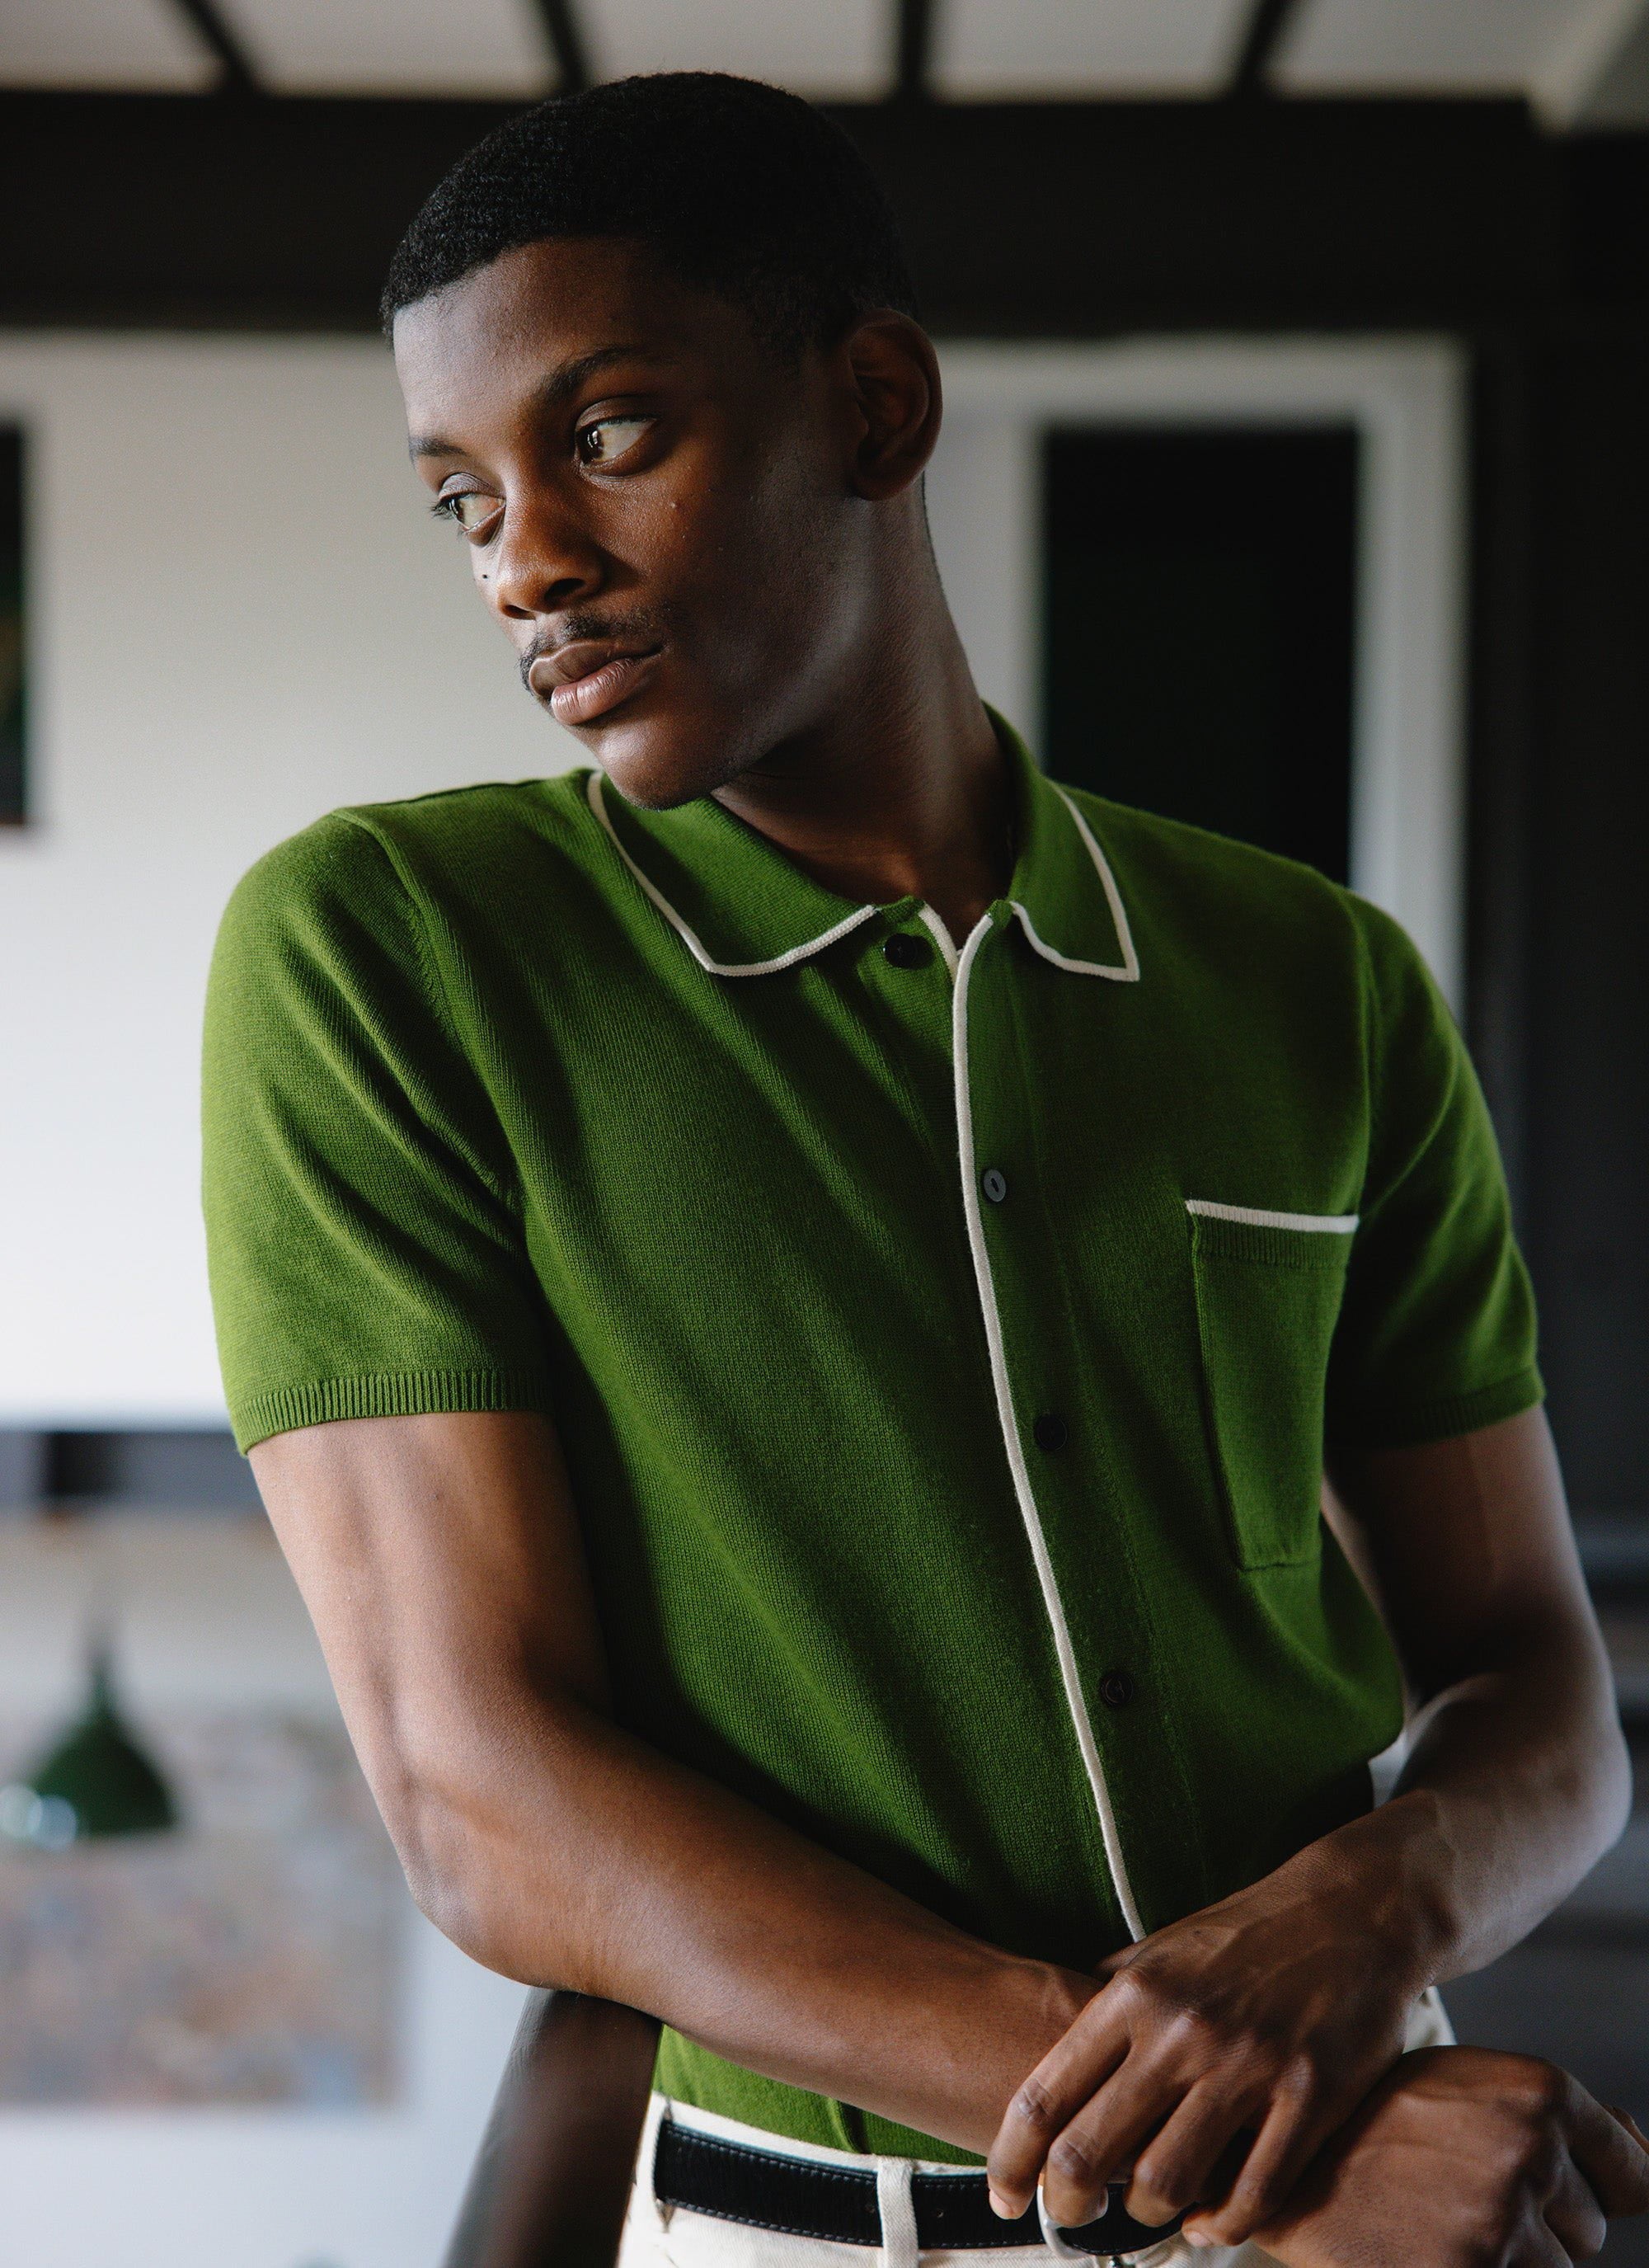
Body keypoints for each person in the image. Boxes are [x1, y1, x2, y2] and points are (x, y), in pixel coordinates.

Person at [202, 73, 1649, 2268]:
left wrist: (1370, 1910)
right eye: (460, 498)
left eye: (609, 435)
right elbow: (482, 1797)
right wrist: (1244, 2146)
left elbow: (1539, 1692)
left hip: (1378, 2170)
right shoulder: (391, 954)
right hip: (953, 2214)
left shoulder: (1315, 983)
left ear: (876, 406)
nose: (522, 561)